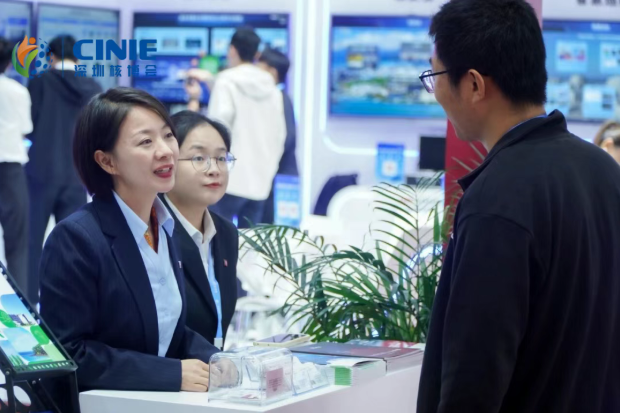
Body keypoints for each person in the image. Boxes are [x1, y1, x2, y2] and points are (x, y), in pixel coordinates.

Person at [417, 1, 620, 412]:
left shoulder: (496, 199)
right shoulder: (604, 171)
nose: (435, 93)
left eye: (435, 76)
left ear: (474, 84)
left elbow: (474, 378)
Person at [39, 88, 219, 400]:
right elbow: (69, 353)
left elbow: (167, 331)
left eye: (168, 136)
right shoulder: (76, 239)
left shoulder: (164, 226)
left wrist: (225, 361)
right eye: (146, 142)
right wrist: (172, 374)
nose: (165, 151)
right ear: (107, 161)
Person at [27, 35, 102, 305]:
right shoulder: (93, 86)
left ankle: (28, 301)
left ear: (51, 56)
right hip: (76, 174)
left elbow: (30, 124)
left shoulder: (40, 82)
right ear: (77, 57)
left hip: (39, 172)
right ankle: (69, 301)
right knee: (73, 243)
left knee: (31, 241)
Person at [160, 110, 240, 349]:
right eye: (199, 158)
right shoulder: (152, 228)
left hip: (214, 368)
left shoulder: (226, 233)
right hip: (167, 369)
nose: (214, 169)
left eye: (221, 158)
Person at [206, 28, 286, 228]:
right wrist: (268, 172)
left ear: (232, 50)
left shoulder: (226, 81)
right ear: (257, 54)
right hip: (260, 183)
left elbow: (217, 129)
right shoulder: (272, 88)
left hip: (228, 181)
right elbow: (280, 135)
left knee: (216, 240)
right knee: (249, 243)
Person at [0, 37, 32, 293]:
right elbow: (26, 128)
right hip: (10, 168)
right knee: (17, 241)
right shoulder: (17, 91)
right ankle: (19, 304)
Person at [257, 48, 299, 224]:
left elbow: (288, 138)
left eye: (259, 66)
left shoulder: (279, 98)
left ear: (272, 72)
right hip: (274, 177)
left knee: (273, 231)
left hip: (280, 179)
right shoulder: (277, 98)